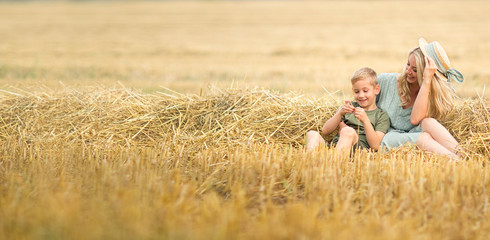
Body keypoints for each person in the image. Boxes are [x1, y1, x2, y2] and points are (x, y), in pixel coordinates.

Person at [376, 38, 464, 159]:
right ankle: (457, 162)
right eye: (408, 65)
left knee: (429, 122)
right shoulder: (384, 81)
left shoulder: (429, 92)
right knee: (423, 138)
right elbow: (360, 101)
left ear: (427, 72)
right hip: (385, 136)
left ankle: (465, 156)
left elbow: (415, 119)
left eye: (415, 70)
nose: (408, 71)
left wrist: (426, 81)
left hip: (410, 135)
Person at [306, 67, 390, 154]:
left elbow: (375, 146)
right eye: (357, 92)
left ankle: (335, 163)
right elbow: (325, 131)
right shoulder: (349, 108)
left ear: (376, 89)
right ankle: (312, 163)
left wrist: (365, 120)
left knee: (348, 131)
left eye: (365, 91)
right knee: (312, 134)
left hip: (356, 151)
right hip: (335, 149)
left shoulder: (381, 115)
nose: (361, 95)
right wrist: (340, 114)